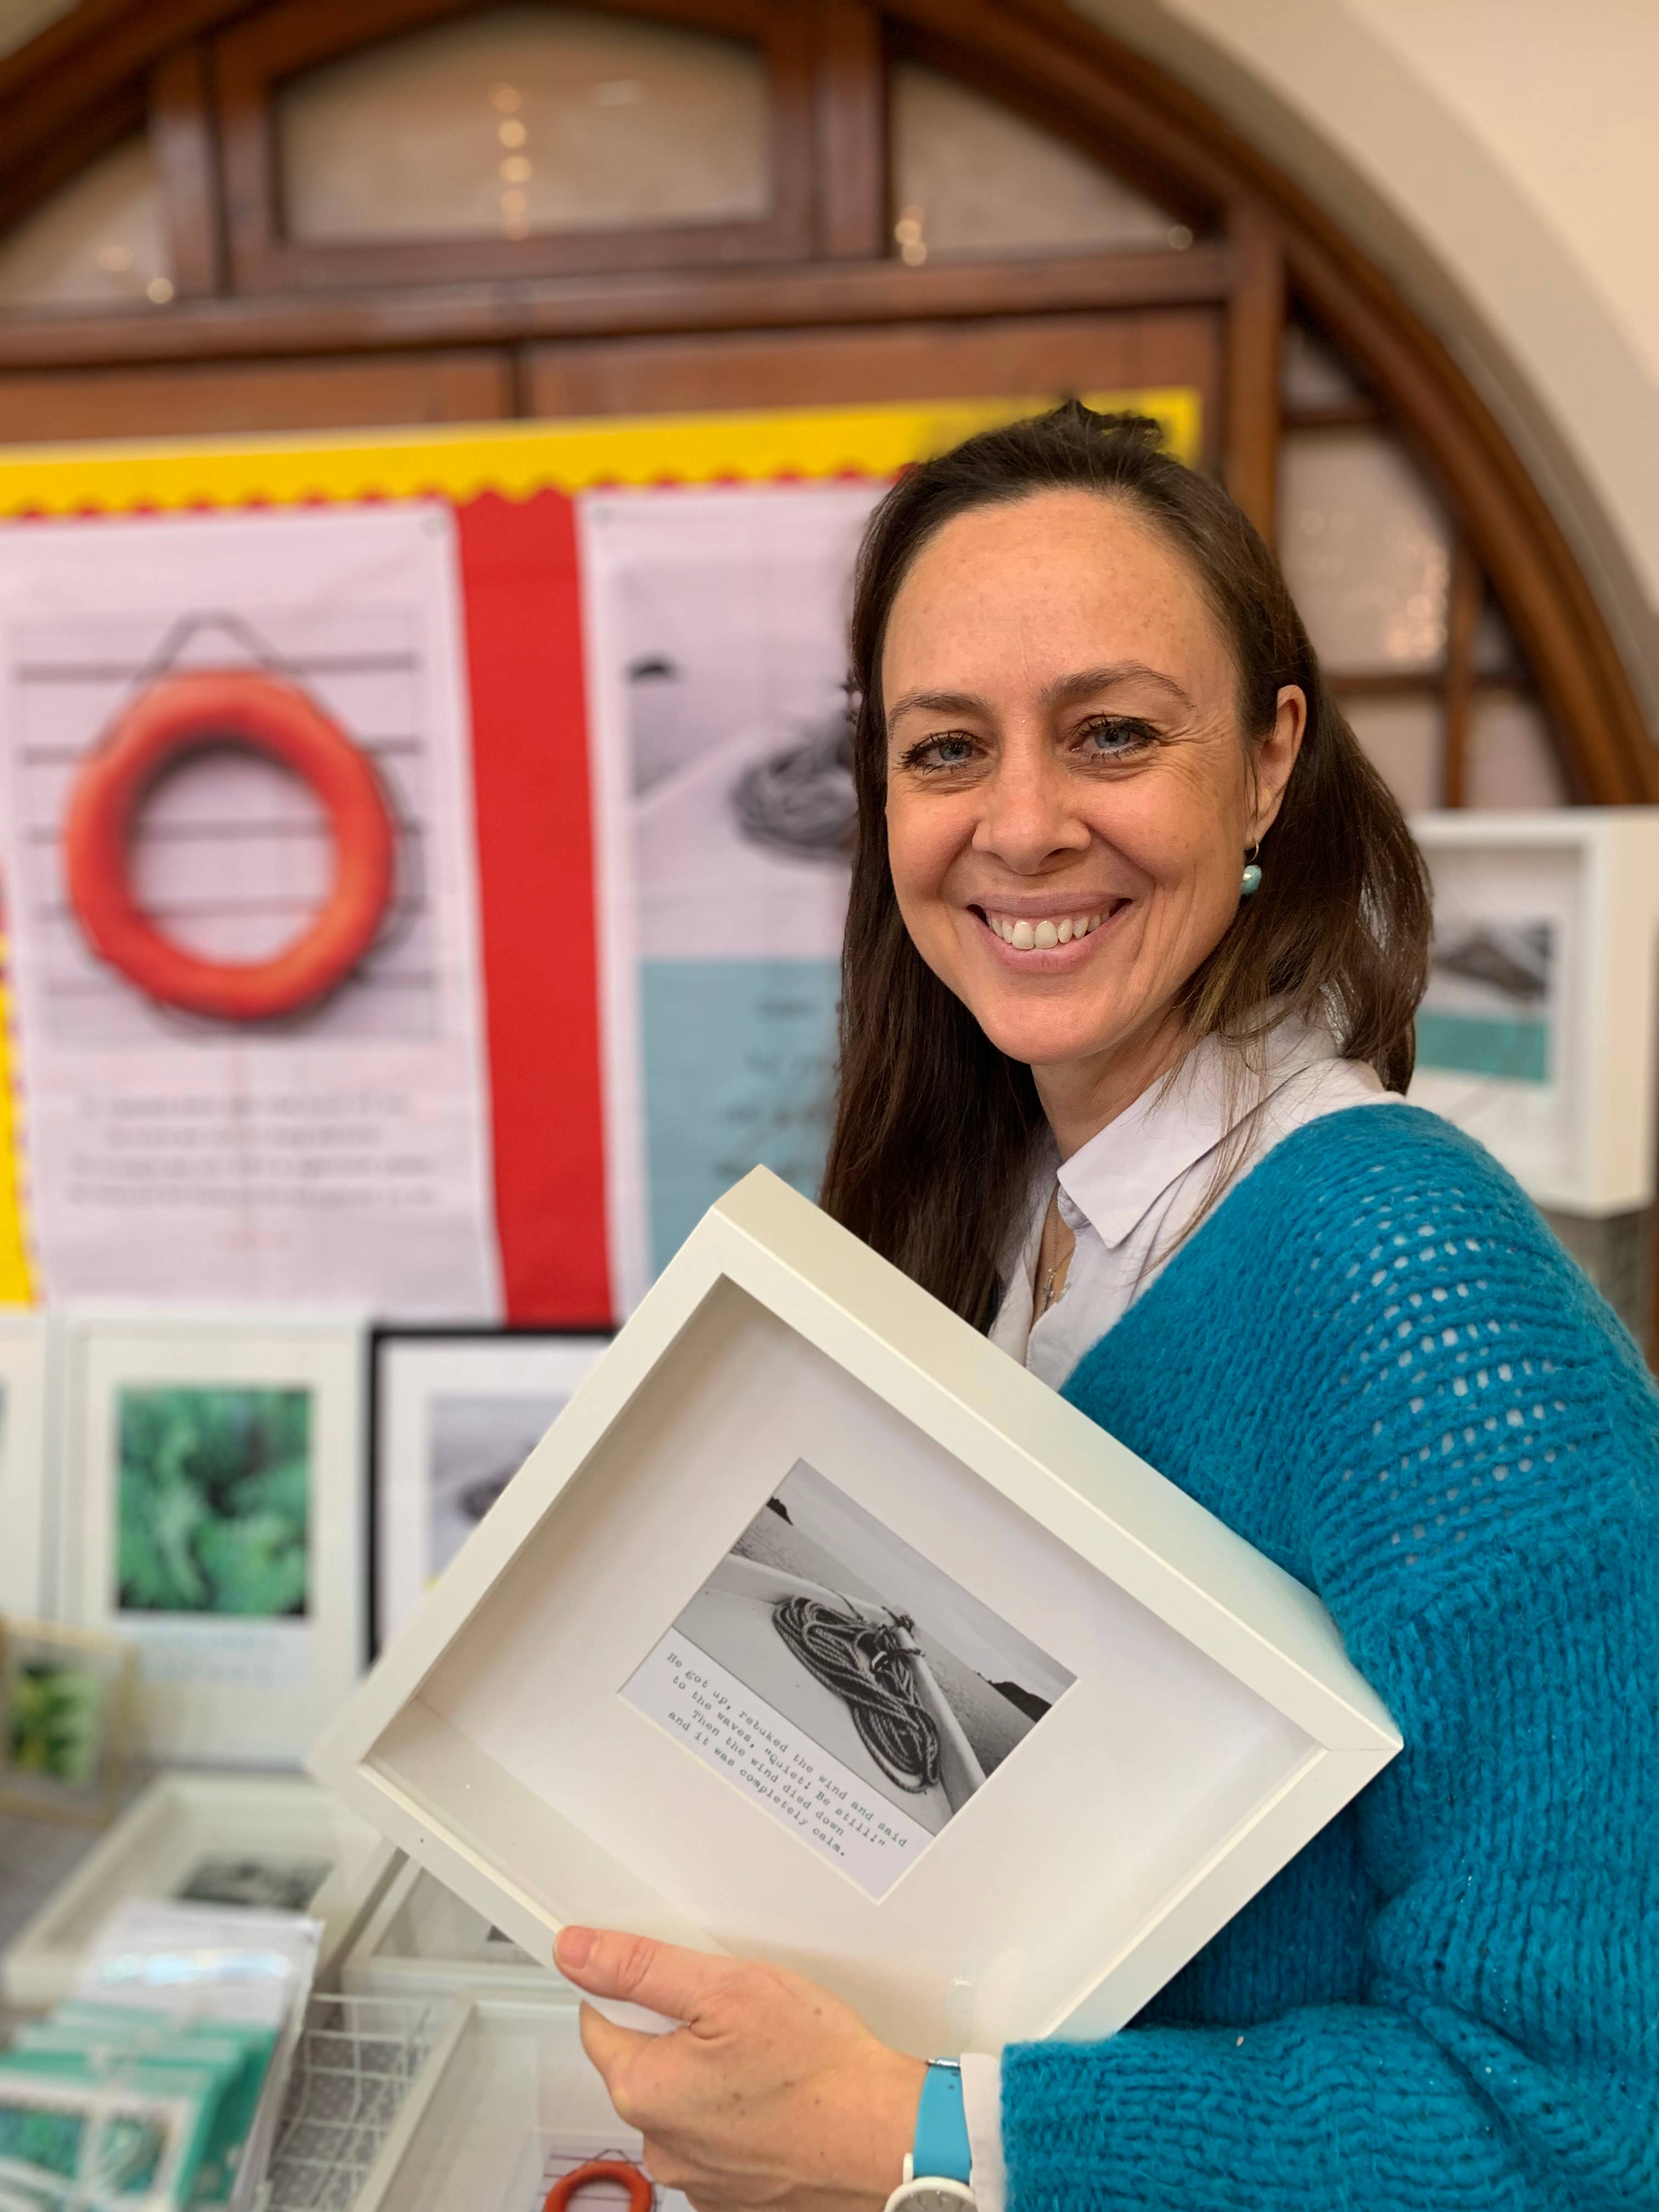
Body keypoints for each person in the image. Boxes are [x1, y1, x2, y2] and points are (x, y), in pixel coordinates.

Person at [551, 405, 1658, 2209]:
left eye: (1114, 734)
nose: (1022, 825)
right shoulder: (1006, 1214)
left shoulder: (1413, 1282)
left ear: (1270, 762)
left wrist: (925, 2138)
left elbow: (1591, 2128)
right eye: (946, 749)